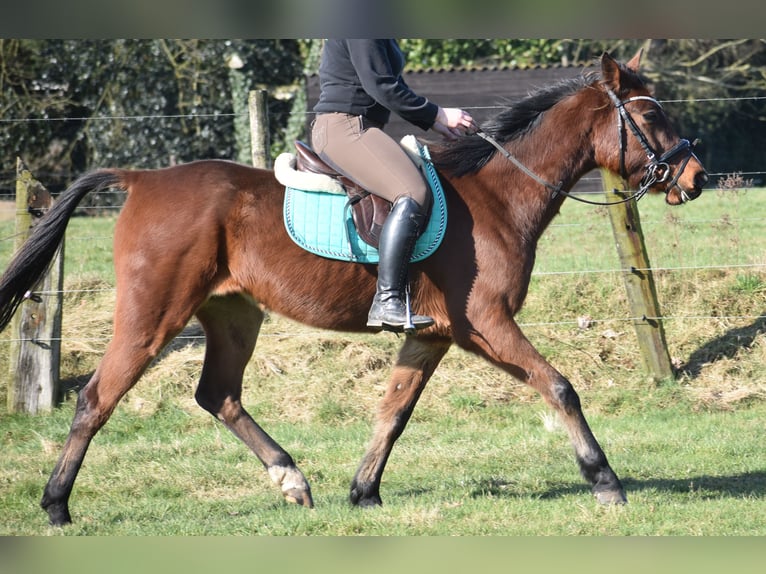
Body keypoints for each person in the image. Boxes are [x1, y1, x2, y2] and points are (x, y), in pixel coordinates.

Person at [311, 39, 475, 332]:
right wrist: (436, 113)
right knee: (414, 192)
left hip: (359, 126)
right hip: (346, 126)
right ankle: (387, 301)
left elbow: (388, 84)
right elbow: (381, 85)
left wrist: (433, 122)